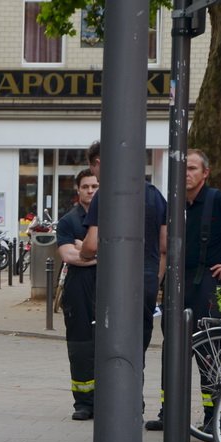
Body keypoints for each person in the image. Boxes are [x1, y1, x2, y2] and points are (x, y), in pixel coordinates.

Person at [144, 149, 221, 431]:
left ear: (205, 173)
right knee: (172, 352)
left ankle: (219, 418)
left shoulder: (220, 201)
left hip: (212, 288)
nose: (186, 174)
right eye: (182, 169)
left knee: (213, 355)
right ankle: (169, 414)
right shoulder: (173, 204)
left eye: (193, 169)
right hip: (178, 286)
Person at [79, 141, 168, 358]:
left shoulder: (105, 194)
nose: (94, 176)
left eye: (92, 168)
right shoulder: (155, 194)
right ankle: (134, 388)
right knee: (138, 351)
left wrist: (83, 252)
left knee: (113, 352)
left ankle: (115, 391)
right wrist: (154, 280)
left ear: (98, 163)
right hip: (146, 283)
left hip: (115, 285)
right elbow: (165, 246)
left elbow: (91, 244)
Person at [57, 169, 99, 420]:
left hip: (105, 288)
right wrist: (101, 256)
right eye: (86, 187)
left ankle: (104, 400)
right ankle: (83, 403)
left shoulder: (111, 216)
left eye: (95, 186)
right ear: (78, 190)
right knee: (80, 348)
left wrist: (86, 251)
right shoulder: (68, 221)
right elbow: (68, 256)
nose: (91, 191)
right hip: (78, 291)